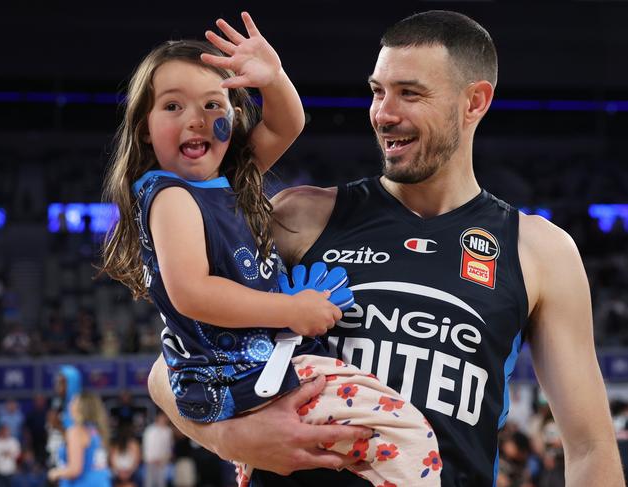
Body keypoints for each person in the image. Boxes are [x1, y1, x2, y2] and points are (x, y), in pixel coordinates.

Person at [147, 9, 625, 487]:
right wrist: (233, 438)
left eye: (409, 93)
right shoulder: (299, 216)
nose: (383, 113)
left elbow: (589, 448)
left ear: (474, 101)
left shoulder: (539, 250)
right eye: (378, 91)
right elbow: (168, 370)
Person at [101, 11, 439, 487]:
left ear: (234, 117)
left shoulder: (227, 182)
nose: (196, 119)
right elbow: (193, 294)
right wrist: (290, 309)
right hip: (238, 373)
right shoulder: (171, 196)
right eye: (173, 107)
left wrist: (272, 78)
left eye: (213, 105)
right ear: (143, 129)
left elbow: (287, 125)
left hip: (256, 366)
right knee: (405, 433)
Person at [47, 392, 111, 486]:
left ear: (81, 408)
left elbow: (75, 469)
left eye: (73, 402)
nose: (70, 404)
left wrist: (55, 473)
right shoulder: (96, 431)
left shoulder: (76, 432)